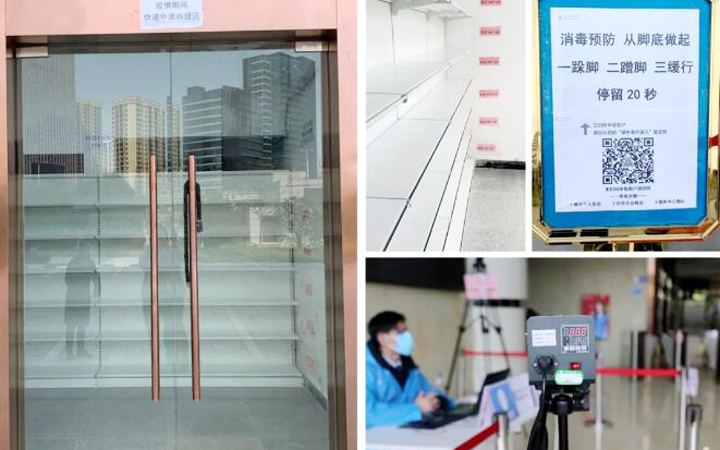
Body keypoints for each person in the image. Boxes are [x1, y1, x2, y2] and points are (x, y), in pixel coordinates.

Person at [366, 311, 448, 428]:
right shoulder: (364, 370)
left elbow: (428, 390)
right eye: (401, 332)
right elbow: (367, 414)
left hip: (407, 432)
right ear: (382, 338)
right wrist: (416, 409)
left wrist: (438, 400)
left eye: (406, 331)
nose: (408, 336)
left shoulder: (410, 368)